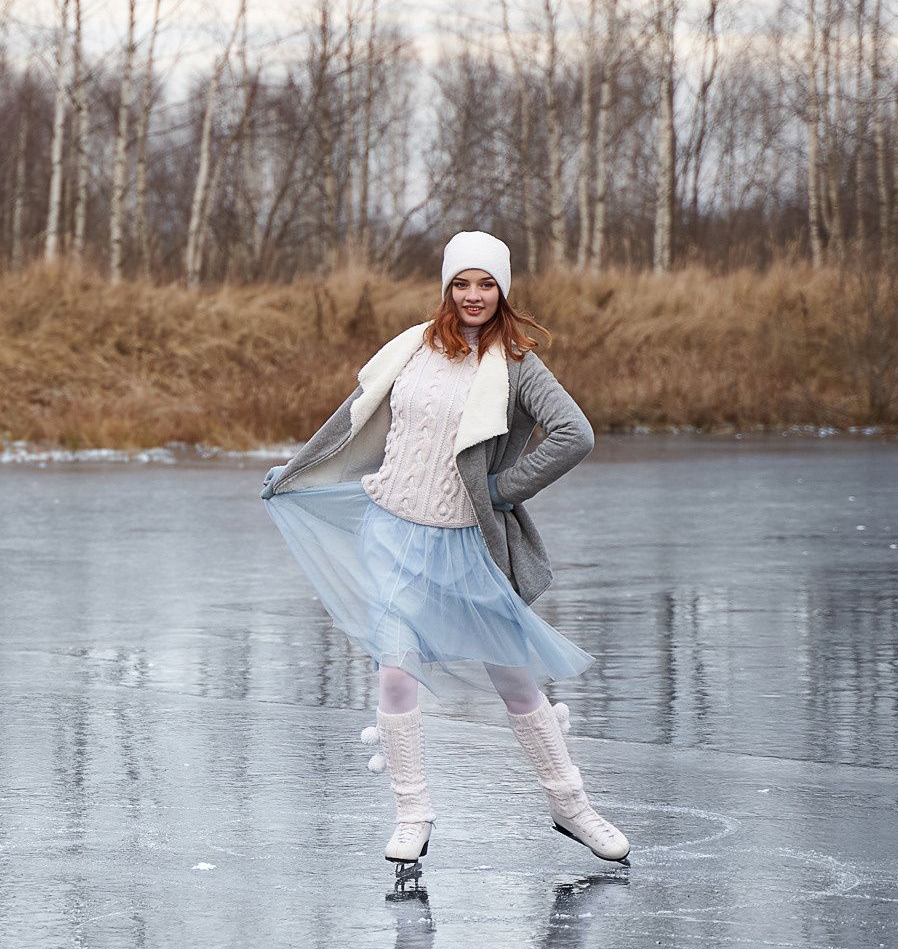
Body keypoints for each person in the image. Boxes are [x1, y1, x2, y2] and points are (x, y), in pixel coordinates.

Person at [261, 231, 628, 885]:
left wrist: (500, 487)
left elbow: (576, 433)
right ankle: (412, 813)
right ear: (447, 287)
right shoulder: (412, 346)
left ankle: (571, 806)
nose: (473, 295)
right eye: (462, 282)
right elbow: (352, 418)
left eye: (486, 283)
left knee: (515, 682)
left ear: (503, 289)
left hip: (466, 547)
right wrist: (294, 471)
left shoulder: (517, 364)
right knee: (396, 674)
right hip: (390, 534)